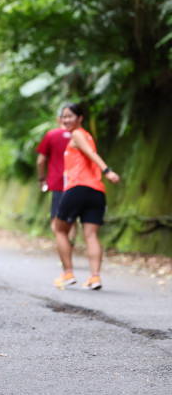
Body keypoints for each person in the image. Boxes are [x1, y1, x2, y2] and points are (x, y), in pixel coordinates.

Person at [53, 103, 120, 290]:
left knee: (60, 229)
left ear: (80, 118)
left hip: (78, 188)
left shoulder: (77, 134)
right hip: (96, 191)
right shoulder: (88, 136)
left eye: (70, 116)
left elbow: (90, 154)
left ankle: (68, 273)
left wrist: (107, 170)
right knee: (91, 235)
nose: (66, 120)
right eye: (64, 116)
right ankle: (95, 277)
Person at [36, 115, 77, 243]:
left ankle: (63, 245)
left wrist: (41, 179)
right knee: (72, 218)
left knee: (56, 218)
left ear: (58, 119)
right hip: (76, 181)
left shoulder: (51, 135)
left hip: (57, 182)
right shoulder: (78, 136)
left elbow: (40, 161)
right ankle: (70, 244)